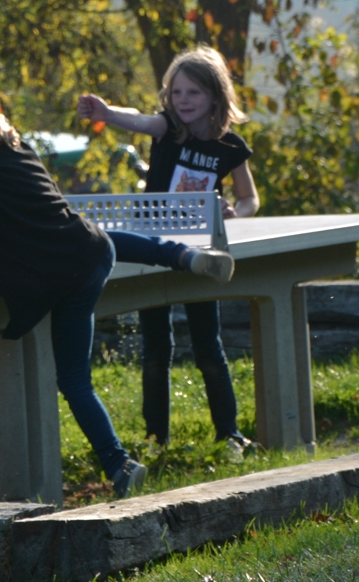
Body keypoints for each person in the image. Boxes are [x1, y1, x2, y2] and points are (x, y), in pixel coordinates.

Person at [0, 104, 233, 498]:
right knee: (101, 237)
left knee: (76, 381)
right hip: (91, 252)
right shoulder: (16, 146)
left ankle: (120, 464)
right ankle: (181, 255)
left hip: (58, 275)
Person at [76, 45, 258, 454]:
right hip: (153, 248)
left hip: (200, 254)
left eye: (193, 93)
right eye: (177, 93)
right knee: (156, 348)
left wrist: (234, 215)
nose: (184, 101)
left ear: (214, 95)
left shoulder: (230, 146)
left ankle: (228, 434)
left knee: (207, 344)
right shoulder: (167, 128)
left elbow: (249, 199)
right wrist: (106, 114)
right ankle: (156, 437)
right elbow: (137, 120)